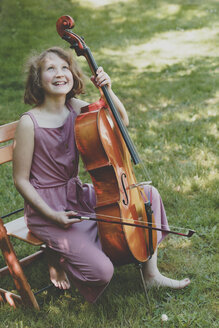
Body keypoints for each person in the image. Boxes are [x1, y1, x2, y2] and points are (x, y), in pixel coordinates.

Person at [13, 47, 190, 303]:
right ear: (38, 79)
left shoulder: (75, 107)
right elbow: (20, 180)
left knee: (147, 196)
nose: (59, 73)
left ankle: (151, 275)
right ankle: (56, 253)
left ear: (73, 74)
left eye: (64, 68)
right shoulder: (30, 123)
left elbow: (122, 122)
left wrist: (107, 90)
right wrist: (51, 215)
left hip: (76, 195)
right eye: (50, 69)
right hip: (47, 209)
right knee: (102, 272)